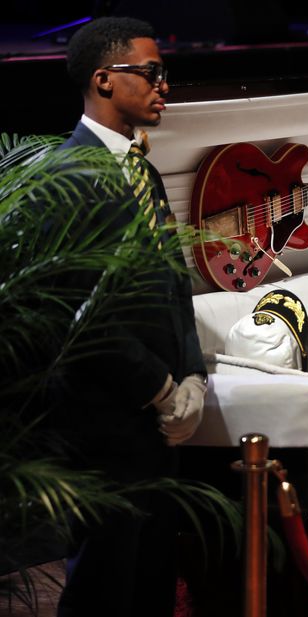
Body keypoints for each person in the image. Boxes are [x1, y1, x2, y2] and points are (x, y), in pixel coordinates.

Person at [56, 17, 207, 616]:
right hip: (104, 422)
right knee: (101, 587)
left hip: (156, 426)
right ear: (103, 79)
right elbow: (78, 311)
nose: (163, 85)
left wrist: (193, 374)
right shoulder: (66, 175)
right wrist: (160, 388)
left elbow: (175, 286)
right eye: (150, 73)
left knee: (150, 581)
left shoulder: (141, 169)